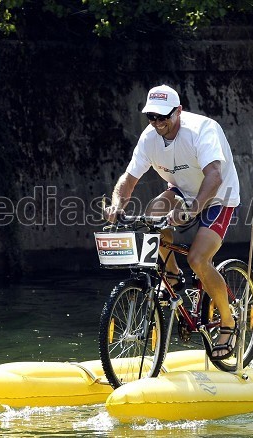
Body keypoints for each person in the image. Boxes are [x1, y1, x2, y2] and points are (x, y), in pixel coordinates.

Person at [104, 84, 240, 360]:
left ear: (178, 111)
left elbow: (214, 176)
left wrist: (191, 210)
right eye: (151, 117)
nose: (157, 123)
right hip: (182, 189)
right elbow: (128, 180)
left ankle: (228, 322)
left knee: (199, 260)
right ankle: (174, 276)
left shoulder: (202, 130)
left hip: (219, 196)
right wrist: (117, 205)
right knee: (154, 212)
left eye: (163, 116)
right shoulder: (149, 138)